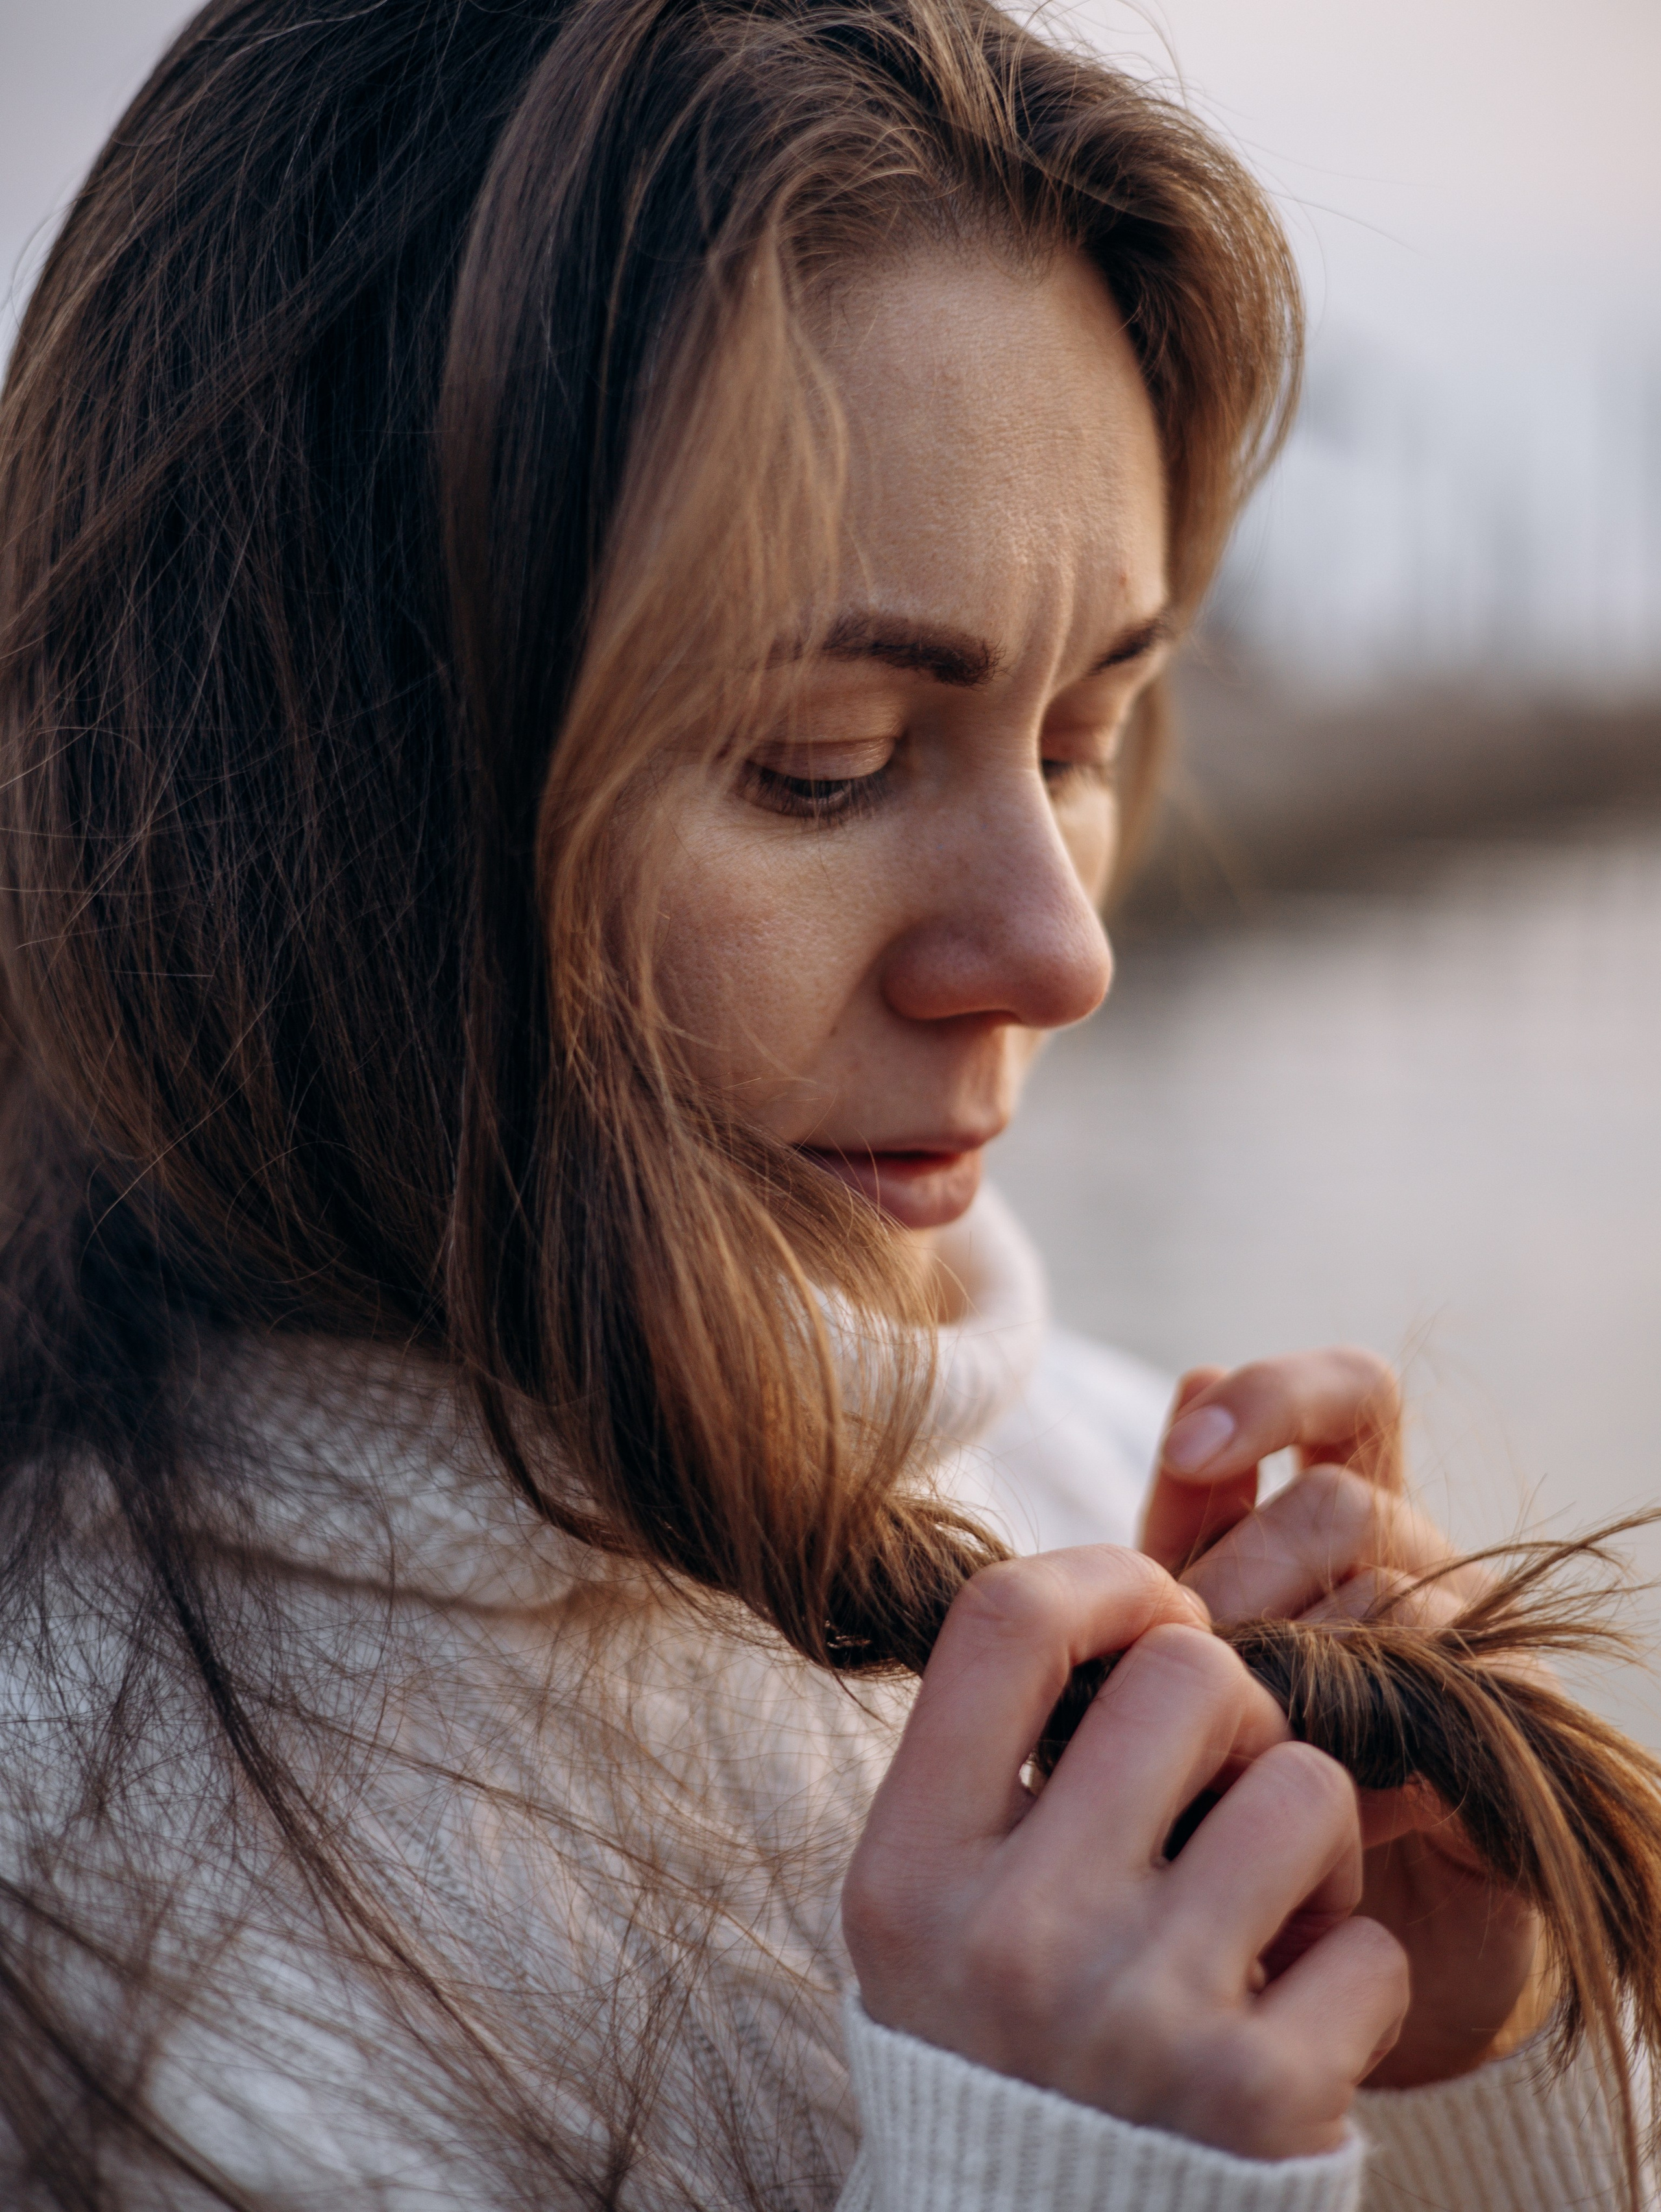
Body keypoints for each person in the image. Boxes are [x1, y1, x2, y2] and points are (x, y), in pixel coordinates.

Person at [0, 0, 1635, 2205]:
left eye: (1079, 736)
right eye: (828, 764)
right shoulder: (73, 1897)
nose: (1064, 951)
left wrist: (1454, 2076)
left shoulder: (1096, 1492)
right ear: (311, 786)